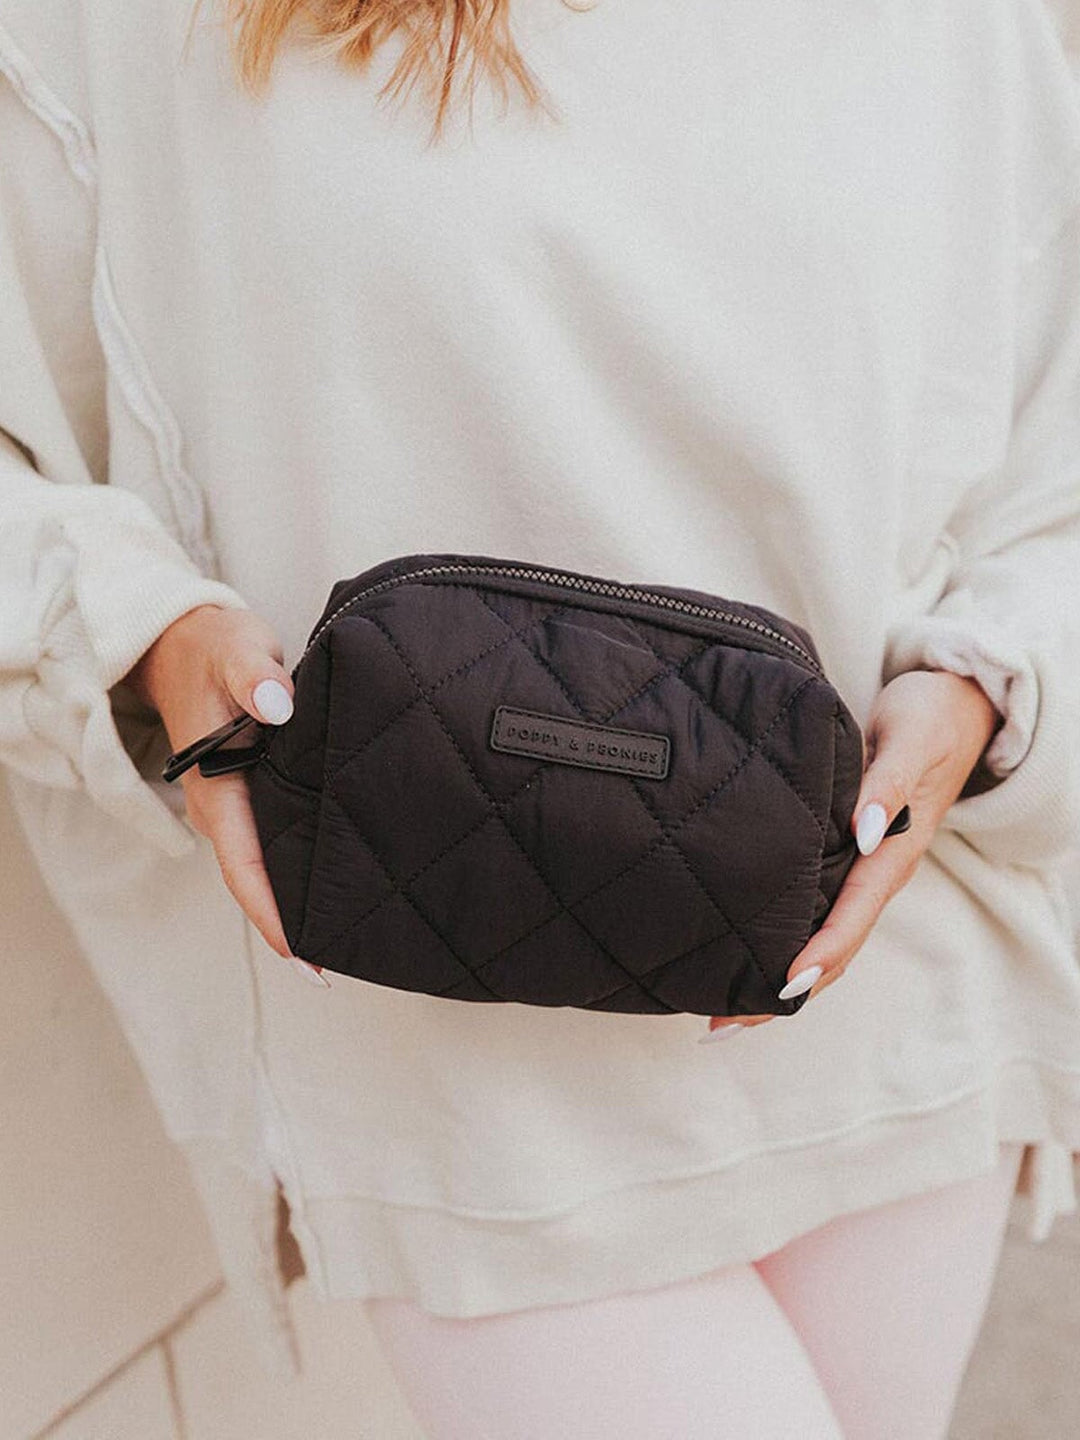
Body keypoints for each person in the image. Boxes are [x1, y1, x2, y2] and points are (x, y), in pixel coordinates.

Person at [1, 1, 1078, 1435]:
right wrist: (143, 632)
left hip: (872, 1003)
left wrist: (983, 680)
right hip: (456, 1077)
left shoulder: (955, 29)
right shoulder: (123, 29)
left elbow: (1047, 450)